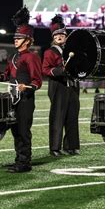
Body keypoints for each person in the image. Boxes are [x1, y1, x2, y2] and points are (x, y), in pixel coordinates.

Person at [0, 6, 42, 173]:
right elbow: (8, 74)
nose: (15, 39)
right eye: (15, 37)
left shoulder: (32, 57)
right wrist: (0, 76)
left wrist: (26, 87)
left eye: (19, 37)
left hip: (26, 99)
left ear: (27, 40)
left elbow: (37, 81)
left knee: (23, 131)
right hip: (12, 98)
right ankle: (19, 159)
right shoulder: (14, 56)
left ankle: (24, 162)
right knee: (15, 130)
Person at [42, 15, 80, 157]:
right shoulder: (50, 52)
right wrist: (60, 70)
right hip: (58, 86)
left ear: (66, 36)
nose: (59, 36)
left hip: (73, 86)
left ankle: (72, 146)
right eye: (56, 34)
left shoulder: (72, 50)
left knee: (72, 116)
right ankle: (55, 148)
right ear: (53, 37)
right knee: (58, 117)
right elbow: (45, 69)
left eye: (62, 34)